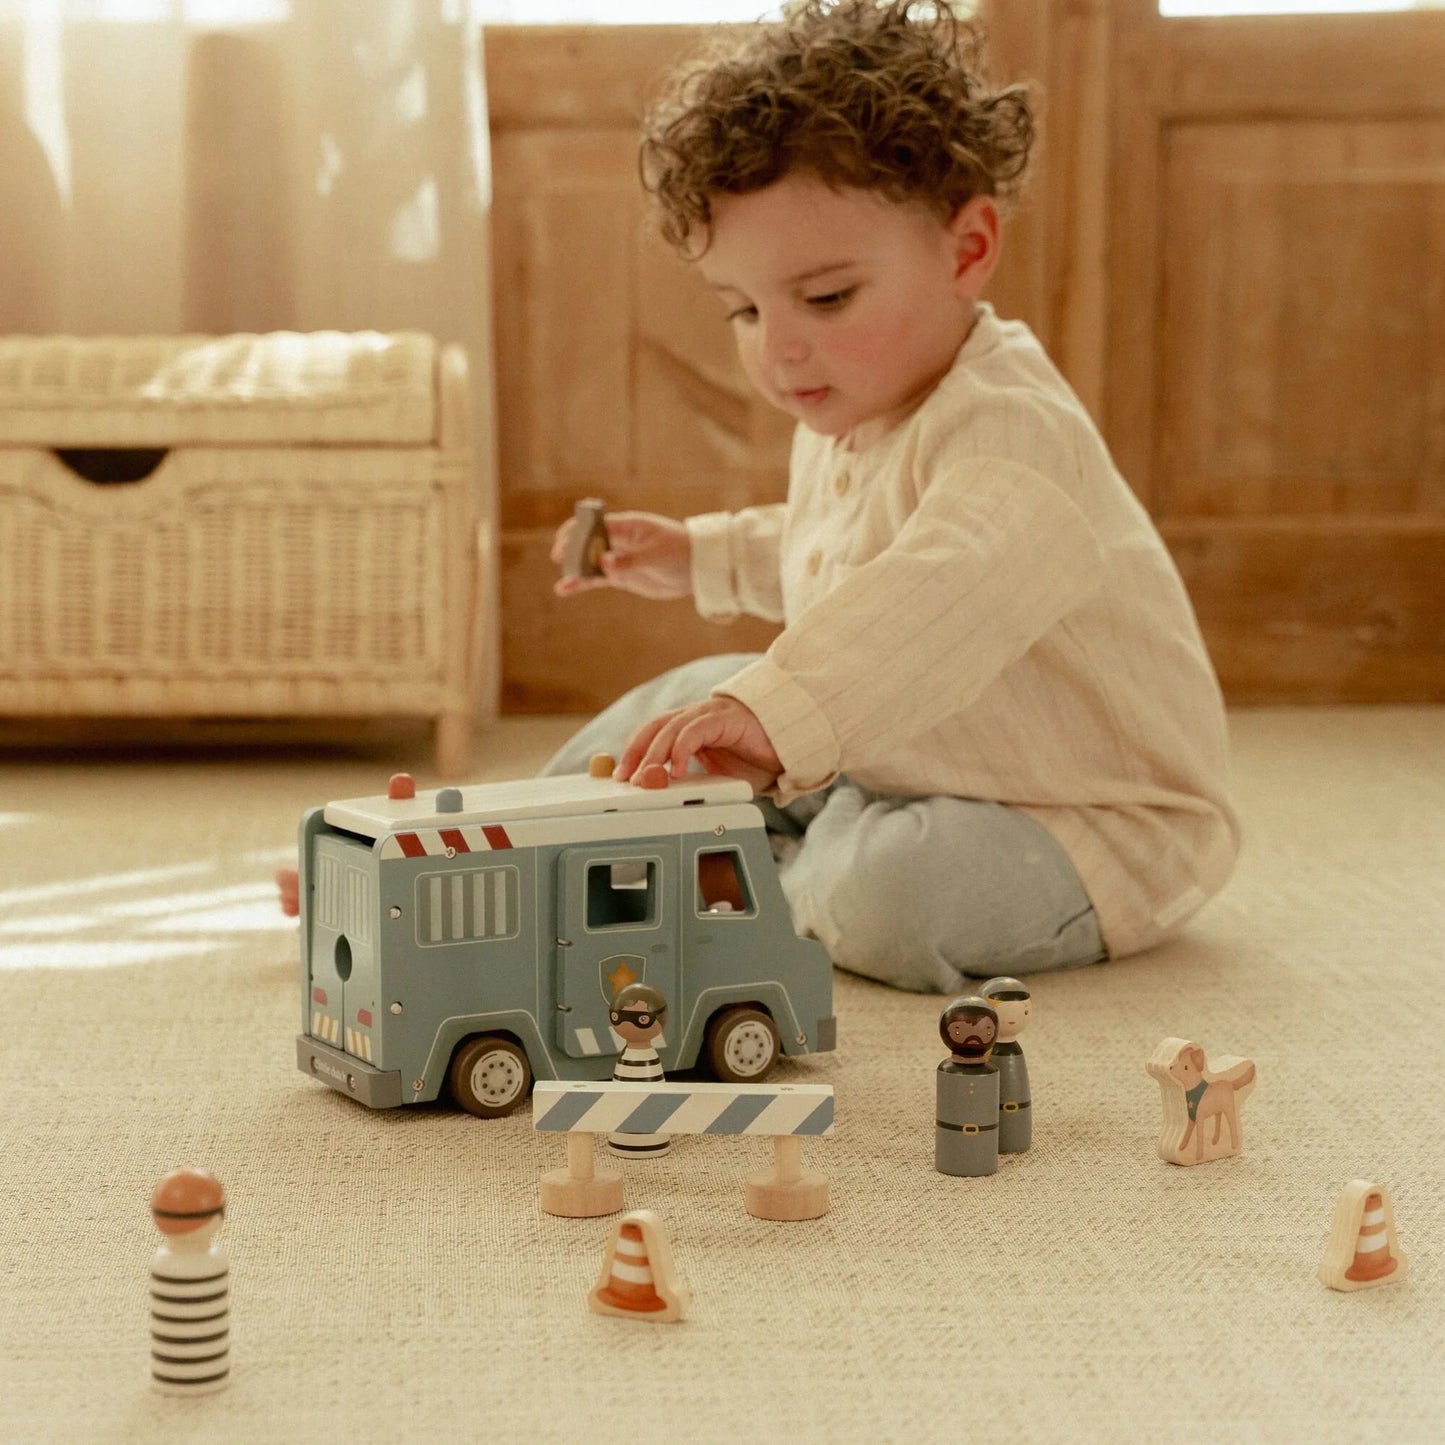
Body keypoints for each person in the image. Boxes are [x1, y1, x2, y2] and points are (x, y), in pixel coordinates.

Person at [545, 0, 1239, 994]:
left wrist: (773, 716)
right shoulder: (858, 400)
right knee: (677, 707)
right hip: (900, 758)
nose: (779, 349)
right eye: (742, 308)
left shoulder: (1013, 434)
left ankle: (754, 871)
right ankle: (522, 846)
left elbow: (934, 590)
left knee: (886, 897)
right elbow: (842, 552)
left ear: (966, 249)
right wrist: (703, 555)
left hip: (1077, 819)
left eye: (826, 298)